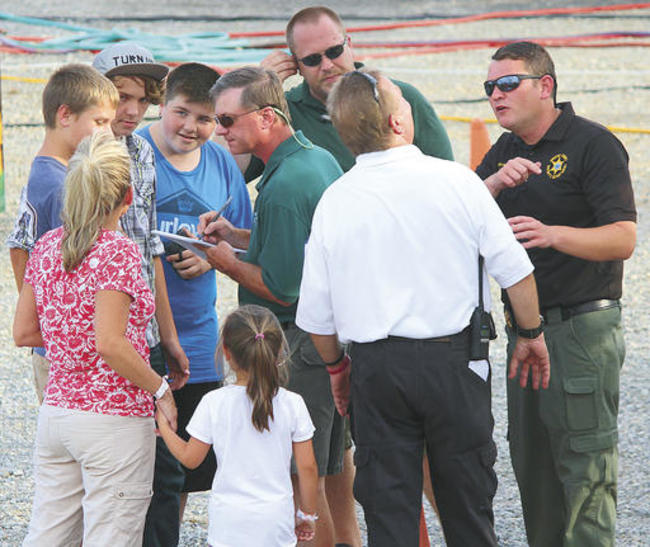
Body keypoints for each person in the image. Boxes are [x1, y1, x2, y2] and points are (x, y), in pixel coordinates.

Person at [295, 69, 551, 547]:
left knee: (389, 513)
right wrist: (531, 335)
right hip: (454, 360)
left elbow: (316, 313)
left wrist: (336, 368)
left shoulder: (336, 200)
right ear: (397, 123)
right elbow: (515, 271)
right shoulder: (455, 180)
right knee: (468, 504)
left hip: (377, 365)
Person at [259, 8, 456, 538]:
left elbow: (446, 184)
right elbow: (232, 171)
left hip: (394, 303)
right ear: (295, 65)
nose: (329, 64)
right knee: (341, 452)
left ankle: (457, 531)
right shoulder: (285, 108)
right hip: (329, 307)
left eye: (336, 50)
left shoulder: (400, 96)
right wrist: (263, 91)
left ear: (352, 42)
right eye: (313, 59)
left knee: (420, 450)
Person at [475, 41, 636, 547]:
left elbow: (624, 238)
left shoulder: (593, 144)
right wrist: (495, 183)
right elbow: (456, 221)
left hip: (582, 329)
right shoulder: (504, 152)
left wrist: (553, 234)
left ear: (545, 86)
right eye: (489, 87)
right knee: (533, 465)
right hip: (528, 332)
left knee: (585, 470)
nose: (496, 97)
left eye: (507, 84)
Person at [198, 66, 344, 546]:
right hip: (332, 339)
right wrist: (240, 238)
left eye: (226, 120)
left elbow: (283, 287)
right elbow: (294, 244)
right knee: (334, 465)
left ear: (264, 116)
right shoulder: (314, 157)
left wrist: (224, 262)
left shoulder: (281, 188)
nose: (219, 132)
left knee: (307, 479)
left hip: (298, 342)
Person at [13, 131, 177, 546]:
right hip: (114, 418)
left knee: (48, 534)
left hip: (59, 410)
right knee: (112, 536)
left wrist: (71, 340)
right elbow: (110, 342)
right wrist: (160, 388)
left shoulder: (50, 245)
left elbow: (24, 332)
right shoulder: (117, 251)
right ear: (126, 195)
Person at [137, 62, 253, 535]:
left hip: (199, 336)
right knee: (138, 467)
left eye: (205, 119)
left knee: (181, 470)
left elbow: (244, 240)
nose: (190, 127)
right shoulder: (135, 151)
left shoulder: (221, 161)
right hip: (139, 336)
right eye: (181, 113)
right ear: (162, 104)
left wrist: (211, 258)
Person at [92, 42, 192, 547]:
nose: (132, 111)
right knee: (111, 481)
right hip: (98, 341)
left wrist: (168, 336)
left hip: (143, 335)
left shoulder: (143, 152)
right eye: (121, 98)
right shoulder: (79, 154)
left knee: (164, 470)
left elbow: (150, 245)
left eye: (142, 99)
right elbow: (32, 245)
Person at [157, 304, 319, 546]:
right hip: (275, 525)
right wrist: (307, 514)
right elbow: (307, 468)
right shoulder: (293, 404)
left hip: (228, 526)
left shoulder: (214, 402)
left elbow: (190, 458)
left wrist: (164, 427)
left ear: (226, 352)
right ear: (278, 353)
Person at [6, 64, 118, 402]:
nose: (108, 135)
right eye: (99, 122)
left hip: (53, 346)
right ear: (65, 115)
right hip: (68, 357)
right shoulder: (63, 187)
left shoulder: (42, 172)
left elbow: (18, 247)